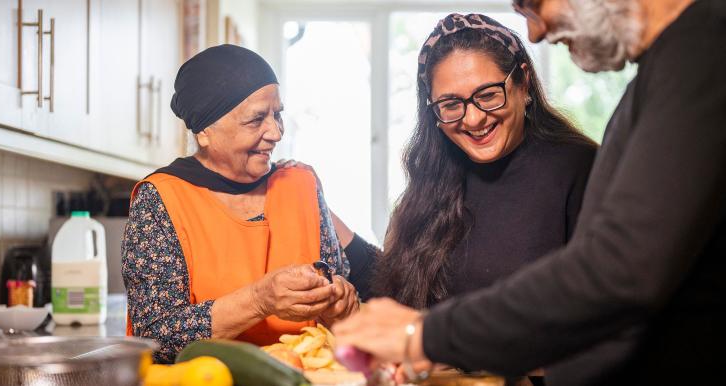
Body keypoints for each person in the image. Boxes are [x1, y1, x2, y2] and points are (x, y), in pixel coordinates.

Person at [334, 0, 726, 385]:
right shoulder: (668, 63)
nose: (535, 32)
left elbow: (618, 271)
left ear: (522, 85)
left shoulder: (704, 46)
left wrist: (426, 338)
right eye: (451, 105)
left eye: (533, 4)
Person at [122, 44, 359, 363]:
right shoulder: (161, 199)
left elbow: (341, 307)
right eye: (257, 119)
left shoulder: (302, 184)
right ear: (205, 131)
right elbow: (154, 336)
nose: (275, 132)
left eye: (278, 115)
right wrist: (261, 300)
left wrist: (341, 303)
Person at [373, 13, 596, 311]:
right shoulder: (430, 181)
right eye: (451, 104)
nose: (474, 118)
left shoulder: (580, 167)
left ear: (523, 83)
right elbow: (393, 292)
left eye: (488, 95)